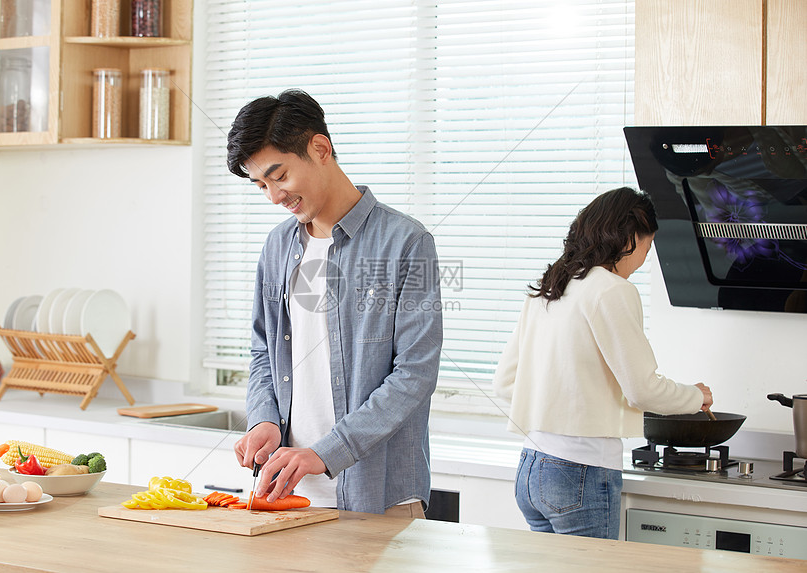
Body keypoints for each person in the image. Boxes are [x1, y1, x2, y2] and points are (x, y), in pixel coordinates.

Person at [226, 89, 443, 517]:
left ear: (320, 148)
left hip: (379, 497)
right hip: (288, 498)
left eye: (280, 176)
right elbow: (263, 352)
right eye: (261, 185)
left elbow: (414, 375)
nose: (274, 197)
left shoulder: (406, 242)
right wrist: (264, 419)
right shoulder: (276, 247)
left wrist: (326, 453)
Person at [492, 187, 713, 539]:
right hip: (580, 470)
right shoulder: (611, 290)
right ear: (629, 238)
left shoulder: (552, 286)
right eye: (648, 246)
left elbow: (504, 383)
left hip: (530, 470)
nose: (644, 258)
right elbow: (642, 389)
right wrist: (694, 396)